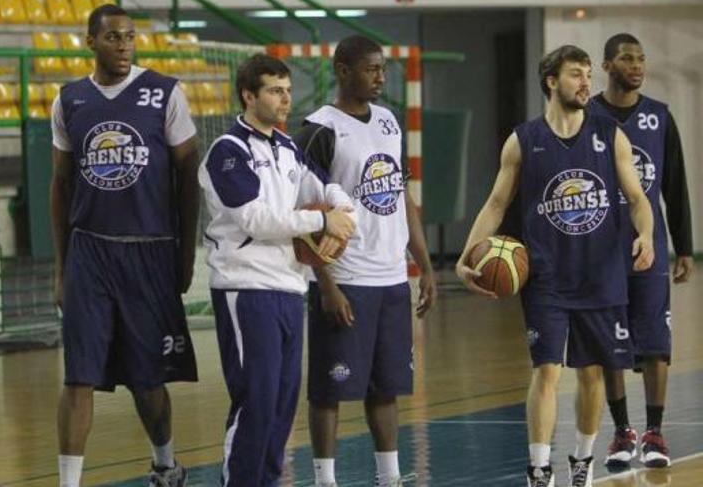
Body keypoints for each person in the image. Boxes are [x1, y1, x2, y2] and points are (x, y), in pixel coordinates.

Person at [455, 45, 655, 487]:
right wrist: (467, 257)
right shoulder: (524, 140)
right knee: (546, 369)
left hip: (601, 275)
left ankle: (582, 460)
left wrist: (647, 234)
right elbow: (496, 203)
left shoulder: (611, 134)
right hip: (546, 277)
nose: (586, 82)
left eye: (588, 74)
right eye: (575, 75)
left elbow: (639, 199)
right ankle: (539, 468)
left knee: (593, 374)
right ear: (551, 81)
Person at [50, 4, 201, 487]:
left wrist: (184, 253)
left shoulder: (165, 92)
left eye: (130, 38)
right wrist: (61, 266)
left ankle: (164, 462)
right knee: (78, 375)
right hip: (90, 250)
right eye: (113, 38)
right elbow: (60, 184)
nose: (123, 46)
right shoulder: (69, 99)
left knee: (148, 378)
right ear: (90, 41)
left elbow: (187, 176)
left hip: (151, 249)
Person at [199, 53, 356, 486]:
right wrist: (322, 220)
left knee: (284, 402)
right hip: (245, 287)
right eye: (274, 91)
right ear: (249, 95)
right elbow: (256, 219)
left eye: (288, 90)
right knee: (257, 400)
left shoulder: (289, 148)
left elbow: (332, 190)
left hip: (290, 288)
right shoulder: (228, 151)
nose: (285, 99)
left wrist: (341, 213)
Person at [292, 35, 437, 487]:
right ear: (341, 70)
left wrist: (425, 264)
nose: (380, 76)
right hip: (345, 277)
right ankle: (324, 479)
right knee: (329, 389)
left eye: (383, 69)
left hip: (392, 277)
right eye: (371, 68)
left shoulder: (390, 122)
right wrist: (326, 282)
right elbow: (305, 215)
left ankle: (389, 475)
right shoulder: (318, 129)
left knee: (386, 386)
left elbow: (402, 198)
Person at [589, 33, 694, 469]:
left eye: (641, 59)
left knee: (655, 343)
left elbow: (674, 183)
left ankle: (654, 432)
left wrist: (684, 246)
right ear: (607, 65)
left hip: (648, 248)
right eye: (626, 59)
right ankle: (620, 434)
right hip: (600, 252)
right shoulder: (587, 115)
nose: (636, 66)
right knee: (611, 347)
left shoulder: (658, 117)